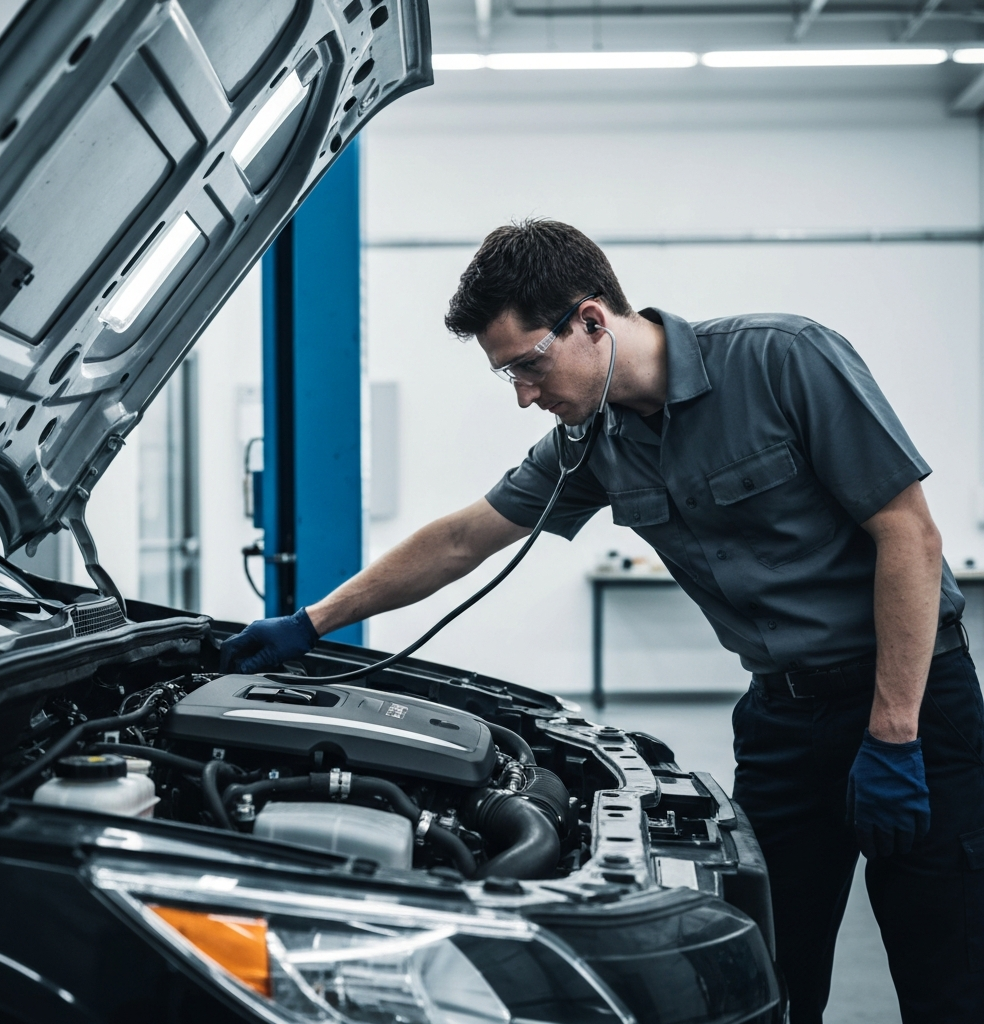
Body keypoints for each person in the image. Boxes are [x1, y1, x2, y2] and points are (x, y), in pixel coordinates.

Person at [220, 219, 984, 1023]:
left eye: (527, 364)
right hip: (783, 719)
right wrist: (310, 622)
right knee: (772, 970)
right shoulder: (591, 446)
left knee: (947, 969)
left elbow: (908, 533)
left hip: (914, 702)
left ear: (591, 320)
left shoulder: (782, 358)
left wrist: (893, 733)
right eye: (506, 376)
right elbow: (459, 539)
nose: (523, 394)